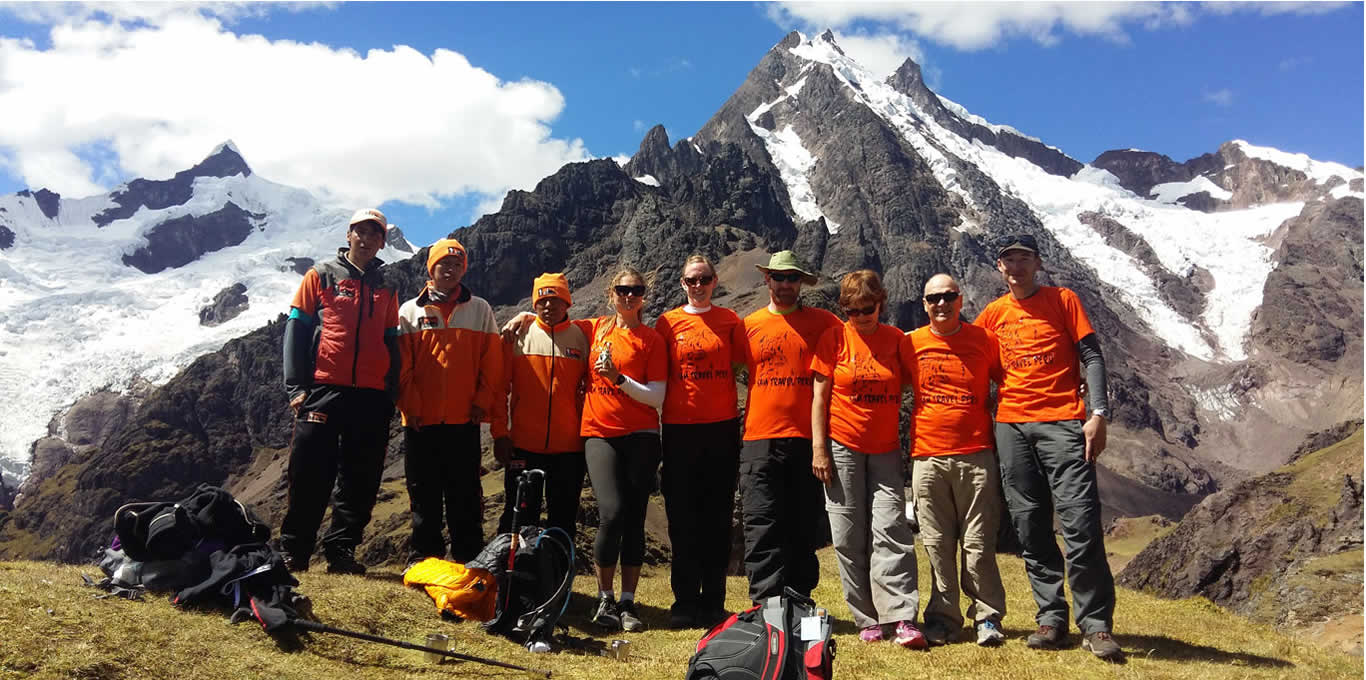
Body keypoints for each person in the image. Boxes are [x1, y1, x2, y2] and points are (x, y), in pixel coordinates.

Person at [973, 234, 1122, 661]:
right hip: (1012, 427)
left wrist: (1098, 414)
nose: (1015, 267)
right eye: (1008, 260)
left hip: (1063, 422)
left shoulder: (1063, 300)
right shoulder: (993, 315)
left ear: (1037, 263)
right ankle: (1051, 618)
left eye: (1023, 259)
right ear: (1000, 268)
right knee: (1030, 525)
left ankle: (1096, 625)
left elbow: (1092, 357)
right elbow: (972, 360)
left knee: (1080, 523)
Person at [279, 208, 400, 575]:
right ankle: (295, 552)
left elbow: (392, 342)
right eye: (360, 232)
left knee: (360, 478)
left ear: (382, 242)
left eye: (374, 234)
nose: (366, 239)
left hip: (370, 397)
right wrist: (297, 389)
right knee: (310, 473)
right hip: (323, 389)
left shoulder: (386, 287)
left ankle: (341, 551)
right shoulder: (320, 276)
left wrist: (389, 393)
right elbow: (296, 333)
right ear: (348, 235)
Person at [809, 270, 922, 648]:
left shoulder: (896, 340)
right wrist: (819, 448)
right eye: (853, 310)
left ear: (882, 302)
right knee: (846, 534)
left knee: (891, 528)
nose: (861, 316)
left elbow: (920, 385)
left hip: (886, 449)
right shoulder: (834, 338)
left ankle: (901, 616)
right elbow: (820, 398)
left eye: (868, 308)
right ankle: (866, 618)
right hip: (842, 447)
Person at [907, 273, 1008, 647]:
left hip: (975, 456)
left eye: (948, 296)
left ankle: (987, 617)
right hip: (928, 458)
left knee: (978, 543)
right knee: (936, 542)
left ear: (960, 300)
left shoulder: (984, 341)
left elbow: (1012, 379)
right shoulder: (910, 344)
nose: (941, 304)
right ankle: (942, 618)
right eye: (933, 298)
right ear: (925, 304)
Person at [739, 250, 841, 602]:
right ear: (767, 279)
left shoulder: (826, 323)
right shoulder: (748, 326)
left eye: (792, 278)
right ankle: (765, 604)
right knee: (760, 521)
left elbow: (860, 342)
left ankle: (798, 600)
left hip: (805, 439)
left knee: (802, 523)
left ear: (801, 283)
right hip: (759, 437)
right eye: (779, 278)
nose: (785, 285)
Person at [395, 238, 501, 565]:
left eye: (457, 265)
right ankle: (425, 559)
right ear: (432, 267)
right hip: (420, 423)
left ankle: (469, 558)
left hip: (464, 421)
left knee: (465, 497)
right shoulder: (410, 311)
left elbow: (492, 361)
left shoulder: (480, 309)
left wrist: (481, 403)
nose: (451, 270)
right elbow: (401, 366)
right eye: (444, 264)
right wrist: (410, 408)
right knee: (423, 496)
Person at [655, 255, 746, 629]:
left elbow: (744, 365)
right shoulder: (667, 323)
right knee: (683, 519)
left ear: (715, 281)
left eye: (705, 278)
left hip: (722, 429)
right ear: (682, 283)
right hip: (679, 430)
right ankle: (684, 602)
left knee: (717, 518)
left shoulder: (729, 321)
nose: (698, 285)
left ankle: (713, 602)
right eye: (692, 279)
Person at [579, 268, 668, 632]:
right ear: (610, 293)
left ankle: (628, 602)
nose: (629, 296)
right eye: (623, 289)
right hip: (599, 432)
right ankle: (605, 597)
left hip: (642, 434)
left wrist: (619, 378)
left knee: (634, 518)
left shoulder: (652, 340)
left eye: (636, 290)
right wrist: (524, 316)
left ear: (643, 296)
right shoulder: (595, 329)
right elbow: (553, 322)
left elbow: (657, 396)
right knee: (612, 512)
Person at [490, 273, 590, 541]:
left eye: (555, 299)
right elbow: (500, 389)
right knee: (519, 518)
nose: (548, 306)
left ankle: (558, 580)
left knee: (563, 520)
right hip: (523, 446)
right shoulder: (518, 336)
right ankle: (516, 579)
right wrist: (500, 433)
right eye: (542, 300)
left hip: (570, 450)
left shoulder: (582, 337)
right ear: (534, 305)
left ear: (567, 303)